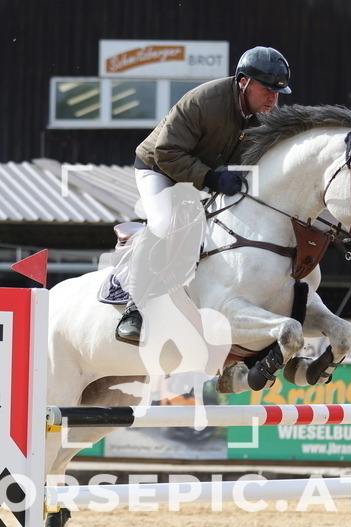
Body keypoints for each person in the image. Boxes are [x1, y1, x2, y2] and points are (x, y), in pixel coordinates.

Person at [115, 46, 292, 345]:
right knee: (163, 223)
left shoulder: (264, 117)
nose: (273, 99)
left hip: (206, 174)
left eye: (277, 92)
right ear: (243, 82)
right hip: (159, 168)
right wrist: (211, 178)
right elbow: (166, 153)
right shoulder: (204, 101)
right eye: (266, 90)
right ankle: (134, 308)